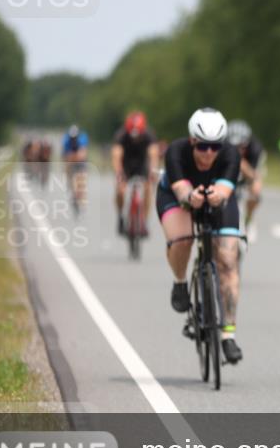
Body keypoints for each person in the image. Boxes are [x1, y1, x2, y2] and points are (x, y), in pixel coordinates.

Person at [156, 107, 245, 364]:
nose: (209, 153)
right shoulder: (176, 151)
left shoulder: (230, 154)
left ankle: (228, 335)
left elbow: (225, 190)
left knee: (228, 259)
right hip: (177, 197)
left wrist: (217, 195)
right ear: (192, 141)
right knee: (182, 239)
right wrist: (190, 197)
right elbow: (181, 189)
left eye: (215, 147)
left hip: (216, 197)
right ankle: (180, 282)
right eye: (203, 146)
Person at [112, 111, 159, 236]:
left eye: (137, 135)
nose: (135, 137)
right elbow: (116, 155)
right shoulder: (121, 135)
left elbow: (153, 154)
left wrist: (153, 171)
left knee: (148, 188)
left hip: (142, 164)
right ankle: (121, 216)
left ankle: (144, 221)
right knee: (120, 190)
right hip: (126, 164)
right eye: (132, 135)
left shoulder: (149, 134)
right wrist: (118, 173)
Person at [226, 119, 265, 242]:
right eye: (234, 147)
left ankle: (249, 219)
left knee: (256, 192)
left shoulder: (256, 149)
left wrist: (240, 162)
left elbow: (254, 175)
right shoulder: (220, 148)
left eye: (241, 147)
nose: (238, 150)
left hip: (249, 174)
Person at [62, 125, 90, 210]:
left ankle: (80, 195)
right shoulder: (66, 140)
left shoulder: (82, 139)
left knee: (81, 178)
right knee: (68, 170)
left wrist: (75, 156)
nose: (73, 139)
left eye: (75, 138)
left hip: (81, 162)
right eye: (72, 138)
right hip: (71, 160)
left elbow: (82, 155)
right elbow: (66, 156)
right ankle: (70, 184)